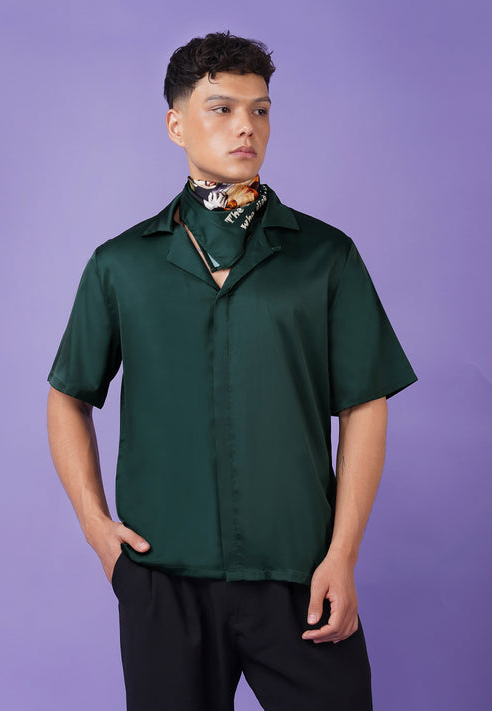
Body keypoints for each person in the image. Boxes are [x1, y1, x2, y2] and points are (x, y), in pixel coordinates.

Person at [47, 30, 418, 711]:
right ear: (176, 124)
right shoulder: (120, 264)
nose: (246, 125)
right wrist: (98, 530)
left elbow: (364, 404)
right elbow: (67, 394)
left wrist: (342, 554)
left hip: (300, 574)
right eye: (221, 108)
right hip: (164, 579)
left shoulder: (325, 256)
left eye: (260, 109)